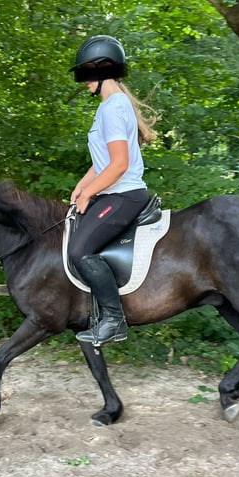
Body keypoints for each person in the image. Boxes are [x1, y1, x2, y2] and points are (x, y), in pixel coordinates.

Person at [67, 35, 157, 345]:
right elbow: (102, 161)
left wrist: (91, 193)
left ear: (102, 70)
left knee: (79, 250)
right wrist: (82, 186)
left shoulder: (112, 108)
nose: (84, 82)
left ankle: (113, 321)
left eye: (86, 74)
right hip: (114, 191)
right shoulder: (113, 105)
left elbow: (119, 165)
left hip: (123, 194)